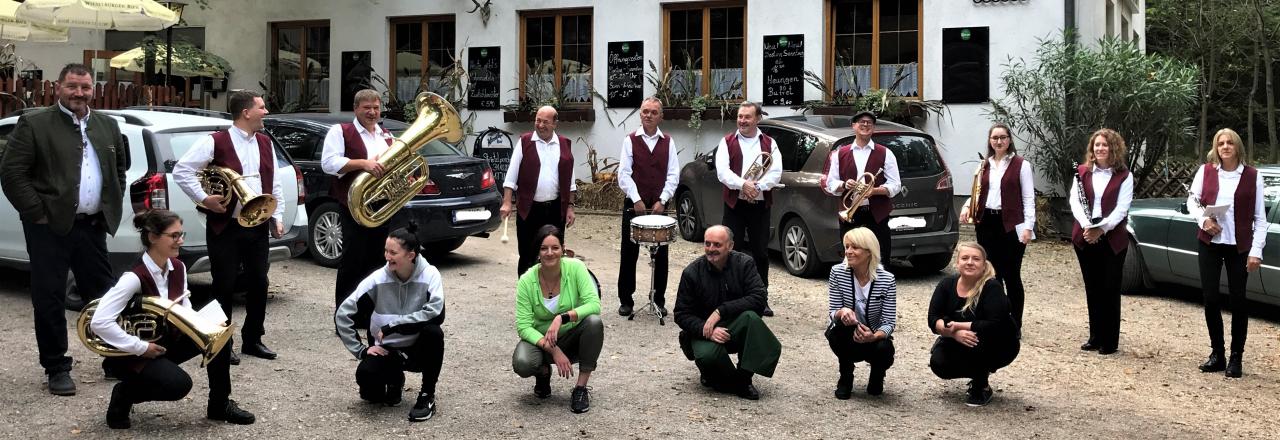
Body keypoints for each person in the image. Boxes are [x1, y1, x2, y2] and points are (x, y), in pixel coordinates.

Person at [0, 63, 126, 396]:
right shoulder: (35, 123)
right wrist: (37, 213)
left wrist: (109, 206)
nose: (79, 93)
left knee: (104, 296)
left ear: (92, 89)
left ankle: (113, 359)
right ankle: (56, 367)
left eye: (85, 87)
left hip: (92, 225)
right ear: (59, 87)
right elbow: (12, 174)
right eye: (72, 86)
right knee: (50, 297)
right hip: (48, 228)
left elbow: (118, 173)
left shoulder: (107, 125)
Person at [92, 209, 255, 429]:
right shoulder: (133, 277)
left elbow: (183, 309)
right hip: (134, 354)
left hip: (165, 342)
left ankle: (219, 405)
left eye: (181, 234)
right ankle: (124, 394)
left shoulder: (178, 267)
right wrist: (140, 347)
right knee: (179, 385)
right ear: (153, 237)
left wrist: (205, 325)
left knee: (221, 337)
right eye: (174, 236)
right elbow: (99, 322)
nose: (180, 241)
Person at [173, 90, 286, 363]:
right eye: (261, 107)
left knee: (259, 282)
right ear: (246, 112)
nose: (266, 111)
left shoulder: (264, 142)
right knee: (224, 285)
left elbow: (274, 182)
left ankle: (253, 339)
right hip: (226, 226)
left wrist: (277, 216)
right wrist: (204, 199)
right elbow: (182, 171)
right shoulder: (215, 141)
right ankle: (223, 342)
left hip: (258, 224)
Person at [335, 222, 446, 422]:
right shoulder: (377, 278)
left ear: (410, 255)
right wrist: (360, 349)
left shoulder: (431, 274)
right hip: (387, 349)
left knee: (434, 333)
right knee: (369, 391)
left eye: (393, 252)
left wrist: (395, 325)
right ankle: (395, 380)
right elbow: (343, 313)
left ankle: (427, 395)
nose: (387, 256)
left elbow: (436, 312)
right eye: (386, 250)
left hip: (416, 348)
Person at [1187, 128, 1266, 378]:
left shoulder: (1253, 175)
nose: (1225, 146)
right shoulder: (1206, 171)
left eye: (1230, 142)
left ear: (1237, 146)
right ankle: (1217, 354)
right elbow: (1192, 201)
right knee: (1211, 298)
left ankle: (1236, 358)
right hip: (1210, 242)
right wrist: (1203, 221)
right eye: (1220, 143)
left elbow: (1260, 219)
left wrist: (1256, 251)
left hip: (1239, 246)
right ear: (1215, 147)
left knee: (1238, 301)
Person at [674, 225, 782, 400]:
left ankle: (744, 379)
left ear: (730, 246)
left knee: (751, 319)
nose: (711, 249)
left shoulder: (744, 263)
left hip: (735, 325)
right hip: (704, 331)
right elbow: (681, 313)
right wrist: (706, 330)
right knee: (707, 357)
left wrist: (721, 311)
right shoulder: (691, 272)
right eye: (707, 244)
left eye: (717, 245)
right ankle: (714, 374)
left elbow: (759, 297)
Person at [512, 225, 602, 413]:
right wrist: (554, 351)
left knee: (594, 322)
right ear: (538, 252)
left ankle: (580, 389)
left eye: (555, 248)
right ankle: (543, 372)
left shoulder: (576, 267)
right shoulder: (526, 281)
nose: (550, 253)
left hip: (571, 336)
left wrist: (562, 317)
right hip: (542, 341)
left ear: (563, 250)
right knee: (522, 362)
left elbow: (594, 304)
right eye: (544, 248)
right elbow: (523, 326)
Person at [322, 88, 396, 308]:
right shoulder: (340, 131)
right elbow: (328, 163)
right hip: (353, 205)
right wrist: (364, 163)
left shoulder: (386, 135)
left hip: (381, 206)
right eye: (367, 108)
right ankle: (345, 316)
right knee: (353, 261)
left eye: (376, 107)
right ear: (356, 109)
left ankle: (370, 314)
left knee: (377, 260)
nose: (372, 112)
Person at [959, 123, 1034, 326]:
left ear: (1009, 140)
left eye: (1003, 137)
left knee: (1012, 275)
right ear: (990, 141)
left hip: (1011, 224)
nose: (999, 141)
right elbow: (976, 190)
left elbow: (1028, 198)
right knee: (991, 274)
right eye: (995, 138)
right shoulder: (984, 165)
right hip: (987, 224)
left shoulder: (1021, 165)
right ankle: (997, 319)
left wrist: (1029, 227)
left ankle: (1015, 323)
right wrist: (967, 207)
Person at [927, 242, 1020, 407]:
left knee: (977, 341)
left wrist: (957, 326)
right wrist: (953, 333)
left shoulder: (992, 287)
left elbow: (995, 325)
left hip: (998, 343)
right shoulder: (946, 284)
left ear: (984, 265)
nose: (970, 262)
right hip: (957, 337)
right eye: (965, 258)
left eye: (976, 259)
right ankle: (976, 372)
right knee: (939, 364)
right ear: (957, 263)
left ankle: (981, 384)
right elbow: (933, 319)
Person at [1068, 128, 1134, 355]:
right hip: (1085, 235)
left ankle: (1110, 340)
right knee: (1092, 287)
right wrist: (1088, 225)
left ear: (1113, 148)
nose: (1100, 148)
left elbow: (1122, 209)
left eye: (1104, 145)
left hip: (1112, 238)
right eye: (1096, 145)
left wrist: (1101, 229)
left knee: (1110, 288)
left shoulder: (1125, 175)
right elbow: (1075, 201)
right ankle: (1095, 336)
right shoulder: (1082, 171)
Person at [714, 102, 781, 316]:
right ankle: (731, 296)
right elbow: (722, 172)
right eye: (740, 116)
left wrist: (758, 186)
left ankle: (761, 298)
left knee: (760, 252)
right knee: (732, 250)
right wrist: (743, 184)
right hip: (735, 203)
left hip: (760, 204)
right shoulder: (727, 142)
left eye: (747, 117)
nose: (742, 121)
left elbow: (776, 171)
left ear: (757, 119)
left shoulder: (770, 143)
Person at [616, 97, 680, 317]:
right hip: (635, 205)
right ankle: (626, 299)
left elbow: (673, 174)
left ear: (661, 116)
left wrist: (663, 200)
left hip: (659, 206)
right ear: (640, 114)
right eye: (645, 111)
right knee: (628, 252)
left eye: (654, 112)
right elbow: (623, 174)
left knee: (661, 255)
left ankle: (659, 299)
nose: (649, 115)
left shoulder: (668, 141)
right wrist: (636, 198)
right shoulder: (630, 140)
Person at [501, 106, 578, 277]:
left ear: (555, 124)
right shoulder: (525, 142)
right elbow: (511, 176)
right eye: (538, 120)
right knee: (528, 255)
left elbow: (570, 180)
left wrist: (570, 207)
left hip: (555, 209)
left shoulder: (564, 144)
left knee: (553, 254)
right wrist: (507, 202)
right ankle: (525, 295)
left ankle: (550, 294)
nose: (540, 125)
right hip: (529, 210)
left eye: (545, 122)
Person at [822, 110, 902, 263]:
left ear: (873, 128)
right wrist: (845, 184)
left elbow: (895, 185)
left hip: (877, 214)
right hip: (851, 214)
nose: (865, 125)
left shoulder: (886, 153)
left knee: (880, 258)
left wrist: (875, 191)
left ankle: (878, 287)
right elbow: (831, 183)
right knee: (851, 259)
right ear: (854, 126)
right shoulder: (840, 153)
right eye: (861, 122)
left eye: (869, 123)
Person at [826, 228, 897, 399]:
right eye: (847, 246)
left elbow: (889, 322)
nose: (848, 251)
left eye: (855, 247)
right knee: (836, 332)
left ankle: (877, 375)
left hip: (873, 335)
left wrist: (874, 336)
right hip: (848, 332)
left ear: (869, 252)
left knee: (884, 349)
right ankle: (845, 376)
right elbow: (833, 311)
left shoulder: (887, 279)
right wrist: (842, 312)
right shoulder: (837, 272)